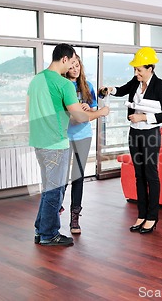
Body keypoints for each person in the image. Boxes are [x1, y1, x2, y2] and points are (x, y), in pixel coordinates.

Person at [26, 43, 109, 246]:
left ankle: (40, 229)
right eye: (72, 61)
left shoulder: (36, 80)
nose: (73, 65)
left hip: (39, 141)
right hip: (56, 143)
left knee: (49, 188)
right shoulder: (63, 85)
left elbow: (29, 111)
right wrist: (100, 112)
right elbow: (80, 117)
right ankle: (49, 234)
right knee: (55, 190)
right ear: (64, 60)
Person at [102, 47, 162, 234]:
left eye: (139, 70)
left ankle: (152, 217)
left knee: (151, 174)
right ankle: (141, 215)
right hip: (134, 134)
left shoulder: (160, 86)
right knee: (138, 174)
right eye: (135, 70)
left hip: (150, 134)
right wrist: (111, 89)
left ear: (150, 68)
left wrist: (143, 118)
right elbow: (122, 90)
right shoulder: (135, 81)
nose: (136, 73)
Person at [64, 55, 97, 234]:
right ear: (66, 67)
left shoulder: (87, 86)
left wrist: (88, 108)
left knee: (78, 177)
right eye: (72, 66)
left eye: (77, 65)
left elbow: (93, 107)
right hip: (65, 137)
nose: (75, 69)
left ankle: (74, 218)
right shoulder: (62, 86)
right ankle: (54, 211)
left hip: (83, 136)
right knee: (61, 178)